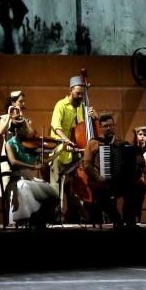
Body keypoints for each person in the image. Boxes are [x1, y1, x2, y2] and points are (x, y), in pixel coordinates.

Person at [50, 75, 98, 220]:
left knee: (77, 181)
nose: (80, 97)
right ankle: (55, 214)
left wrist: (95, 117)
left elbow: (84, 129)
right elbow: (56, 127)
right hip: (60, 147)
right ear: (70, 90)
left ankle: (77, 212)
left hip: (75, 150)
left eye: (82, 94)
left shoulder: (83, 106)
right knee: (55, 183)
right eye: (78, 93)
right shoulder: (60, 105)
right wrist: (66, 141)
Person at [5, 121, 58, 228]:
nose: (27, 130)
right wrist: (33, 167)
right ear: (17, 130)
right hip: (17, 179)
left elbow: (44, 161)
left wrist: (59, 152)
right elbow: (13, 161)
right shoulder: (9, 144)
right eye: (25, 128)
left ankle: (39, 218)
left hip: (29, 178)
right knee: (24, 187)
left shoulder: (27, 145)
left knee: (52, 192)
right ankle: (33, 218)